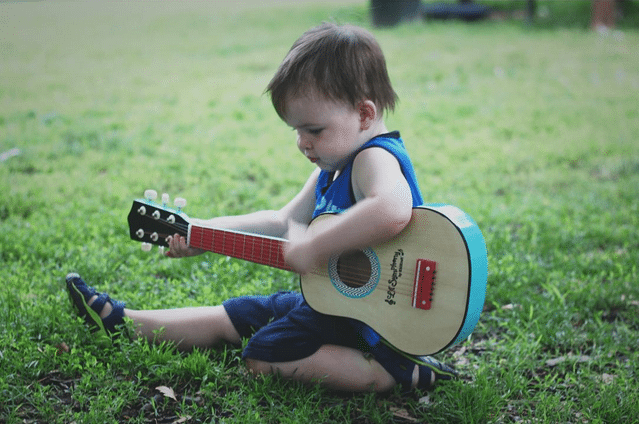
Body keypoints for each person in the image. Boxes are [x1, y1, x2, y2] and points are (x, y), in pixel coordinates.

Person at [67, 22, 456, 393]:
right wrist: (203, 232)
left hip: (378, 316)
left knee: (264, 354)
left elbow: (391, 208)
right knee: (239, 315)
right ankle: (125, 323)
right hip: (337, 304)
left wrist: (315, 248)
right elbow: (283, 220)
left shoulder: (375, 159)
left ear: (364, 114)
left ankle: (393, 371)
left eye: (314, 130)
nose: (303, 143)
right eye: (296, 131)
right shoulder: (335, 167)